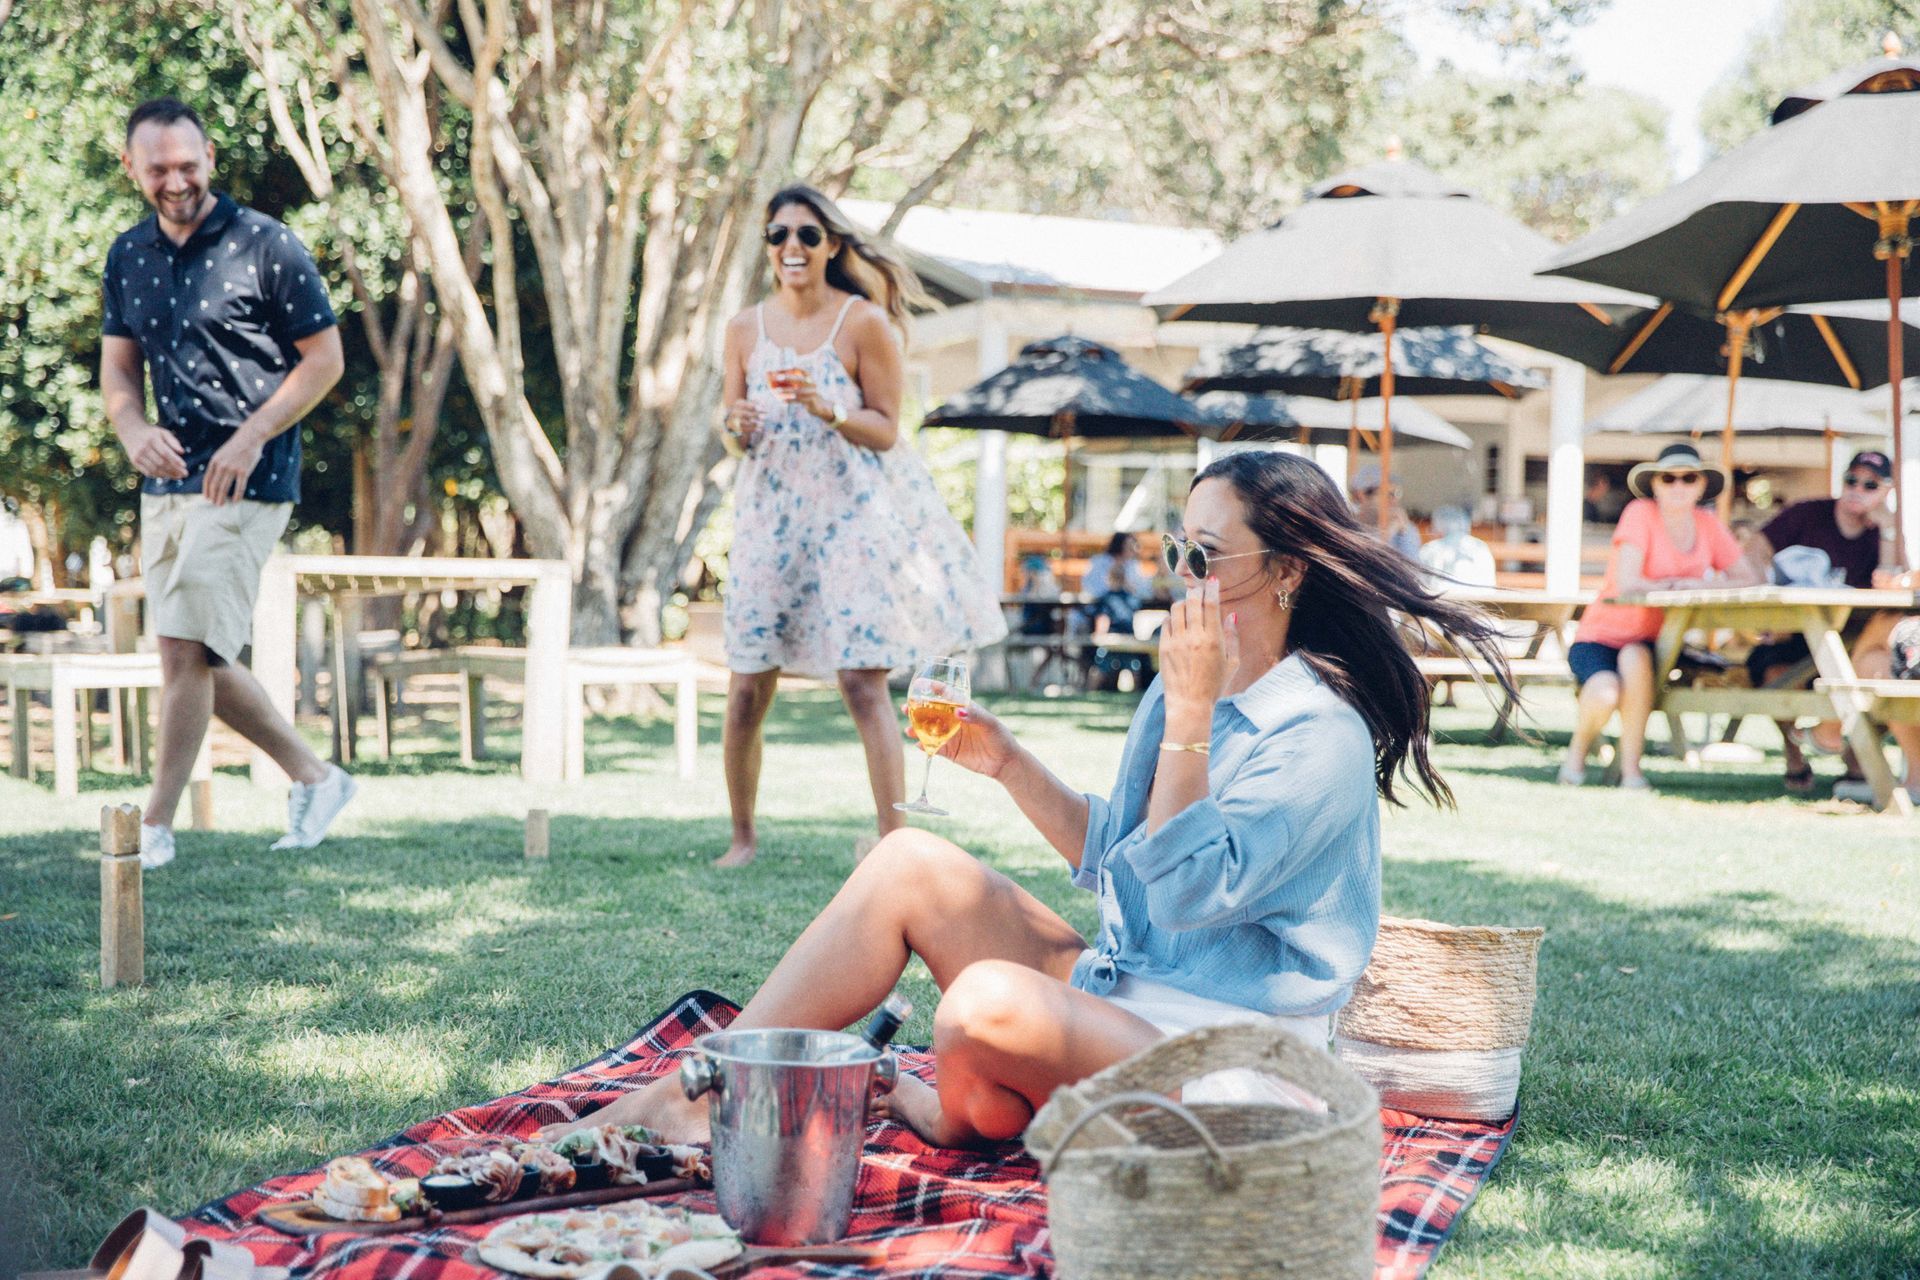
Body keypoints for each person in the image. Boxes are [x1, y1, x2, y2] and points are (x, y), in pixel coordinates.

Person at [541, 450, 1517, 1149]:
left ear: (1290, 569)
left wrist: (1185, 715)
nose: (1187, 576)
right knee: (908, 864)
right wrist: (1008, 762)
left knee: (984, 1007)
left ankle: (964, 1110)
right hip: (1120, 994)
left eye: (1209, 557)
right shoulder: (1188, 677)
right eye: (1183, 550)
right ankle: (699, 1086)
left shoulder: (1319, 734)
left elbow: (1182, 893)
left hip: (1234, 1060)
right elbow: (1119, 860)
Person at [715, 185, 1005, 868]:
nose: (792, 247)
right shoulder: (741, 328)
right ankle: (742, 838)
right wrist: (736, 425)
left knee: (860, 680)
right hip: (768, 520)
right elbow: (730, 430)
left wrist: (828, 409)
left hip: (849, 518)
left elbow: (885, 430)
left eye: (808, 235)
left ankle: (896, 843)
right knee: (749, 682)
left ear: (833, 245)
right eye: (778, 235)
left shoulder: (862, 322)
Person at [101, 99, 352, 869]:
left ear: (210, 156)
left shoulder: (266, 245)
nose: (175, 181)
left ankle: (154, 827)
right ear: (132, 168)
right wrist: (133, 430)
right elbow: (117, 370)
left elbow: (325, 360)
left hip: (250, 476)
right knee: (197, 654)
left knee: (184, 646)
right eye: (158, 169)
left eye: (187, 164)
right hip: (166, 483)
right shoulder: (127, 254)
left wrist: (250, 438)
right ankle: (317, 778)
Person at [1560, 444, 1759, 790]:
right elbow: (1627, 583)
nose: (1678, 486)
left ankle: (1631, 771)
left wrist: (1693, 585)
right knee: (1606, 692)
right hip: (1601, 634)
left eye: (1688, 478)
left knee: (1636, 659)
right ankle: (1576, 755)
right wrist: (1679, 585)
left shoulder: (1707, 524)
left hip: (1654, 639)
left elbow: (1749, 578)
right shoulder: (1640, 513)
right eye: (1669, 478)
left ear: (1701, 485)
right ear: (1655, 484)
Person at [1735, 449, 1912, 797]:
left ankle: (1855, 753)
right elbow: (1755, 547)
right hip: (1794, 631)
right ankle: (1794, 752)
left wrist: (1890, 530)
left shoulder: (1884, 533)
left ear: (1885, 492)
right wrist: (1763, 589)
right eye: (1852, 480)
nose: (1857, 490)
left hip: (1850, 639)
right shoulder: (1808, 513)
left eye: (1869, 484)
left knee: (1875, 667)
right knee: (1777, 678)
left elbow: (1893, 580)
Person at [1350, 463, 1420, 559]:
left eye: (1396, 493)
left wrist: (1403, 533)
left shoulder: (1404, 527)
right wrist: (1387, 532)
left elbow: (1413, 569)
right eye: (1388, 494)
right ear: (1361, 495)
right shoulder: (1345, 524)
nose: (1394, 500)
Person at [1417, 505, 1495, 587]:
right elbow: (1490, 584)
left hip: (1442, 598)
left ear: (1438, 526)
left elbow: (1422, 585)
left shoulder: (1430, 549)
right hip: (1482, 598)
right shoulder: (1481, 546)